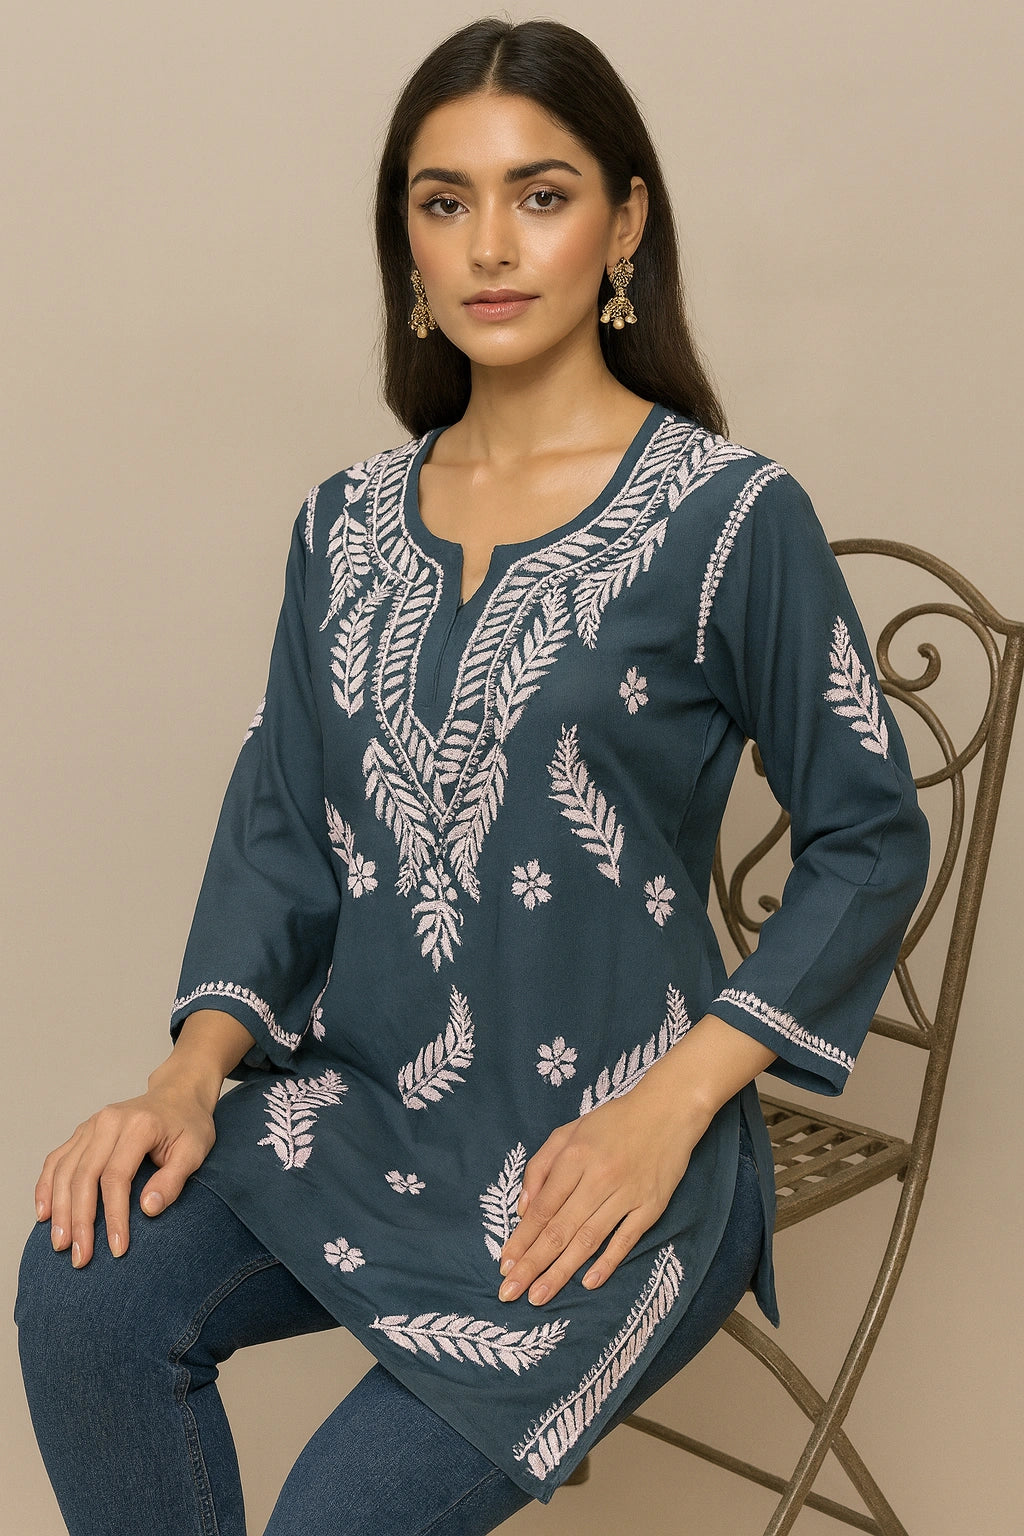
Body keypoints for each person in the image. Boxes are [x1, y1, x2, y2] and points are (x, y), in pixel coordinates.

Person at [15, 15, 931, 1535]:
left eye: (543, 193)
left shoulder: (727, 516)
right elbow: (281, 835)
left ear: (625, 221)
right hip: (368, 1112)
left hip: (607, 1158)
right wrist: (182, 1082)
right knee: (86, 1284)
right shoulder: (345, 526)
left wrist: (675, 1104)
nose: (492, 245)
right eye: (444, 202)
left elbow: (865, 836)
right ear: (409, 246)